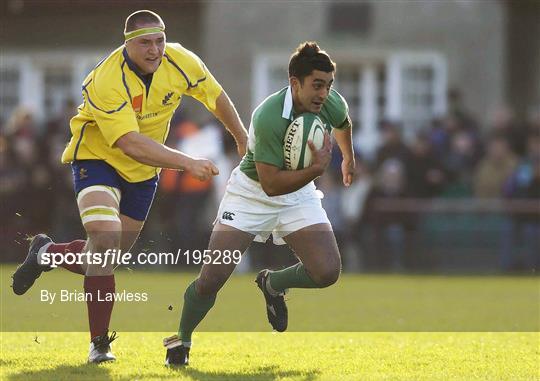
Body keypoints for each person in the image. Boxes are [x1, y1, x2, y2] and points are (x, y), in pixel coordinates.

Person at [11, 10, 247, 364]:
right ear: (128, 44)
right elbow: (128, 142)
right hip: (97, 160)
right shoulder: (106, 79)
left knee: (107, 256)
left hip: (144, 170)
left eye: (159, 41)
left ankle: (46, 253)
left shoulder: (180, 60)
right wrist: (187, 162)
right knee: (105, 241)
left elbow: (215, 96)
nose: (155, 50)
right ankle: (99, 344)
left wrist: (242, 138)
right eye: (145, 43)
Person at [163, 41, 355, 366]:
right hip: (252, 193)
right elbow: (270, 184)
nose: (324, 93)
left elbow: (343, 123)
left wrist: (348, 158)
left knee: (327, 272)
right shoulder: (269, 116)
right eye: (317, 85)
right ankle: (181, 338)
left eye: (328, 85)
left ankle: (272, 283)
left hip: (299, 191)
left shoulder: (327, 100)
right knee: (212, 279)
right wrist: (317, 169)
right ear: (295, 83)